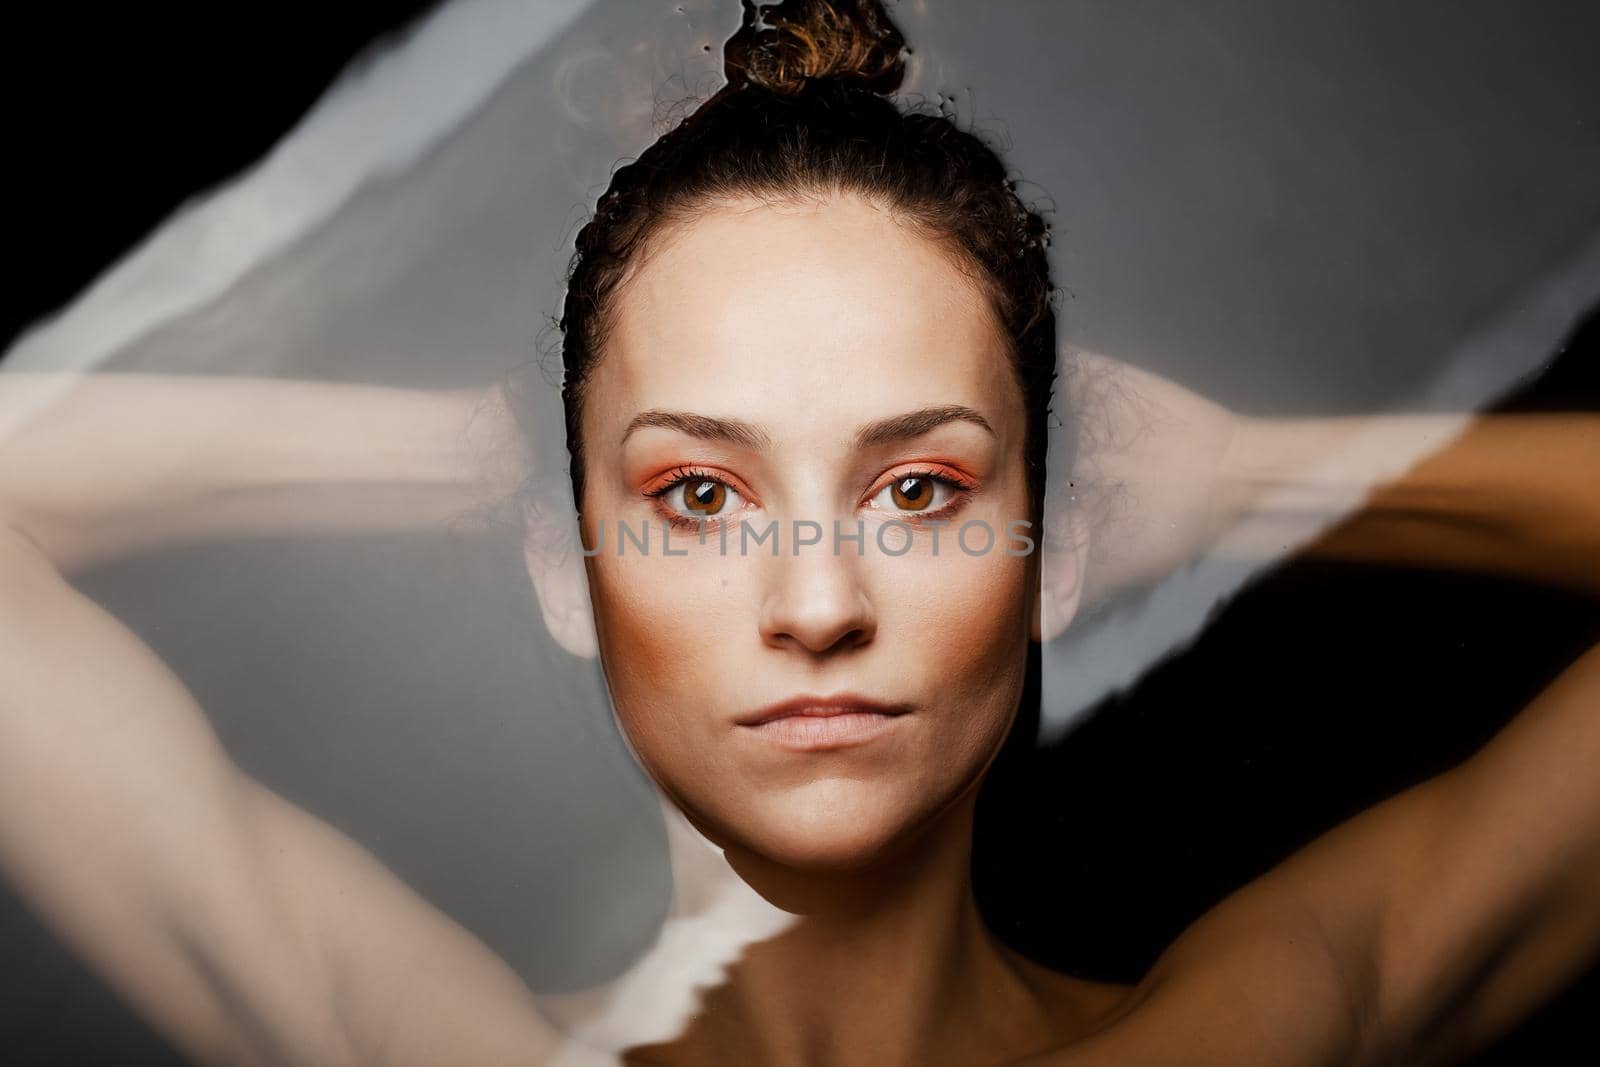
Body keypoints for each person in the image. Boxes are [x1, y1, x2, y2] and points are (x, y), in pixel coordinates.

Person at [1, 1, 1597, 1064]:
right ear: (566, 567)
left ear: (1063, 550)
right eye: (699, 498)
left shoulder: (1251, 1036)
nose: (817, 599)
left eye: (921, 491)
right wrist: (504, 451)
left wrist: (1243, 476)